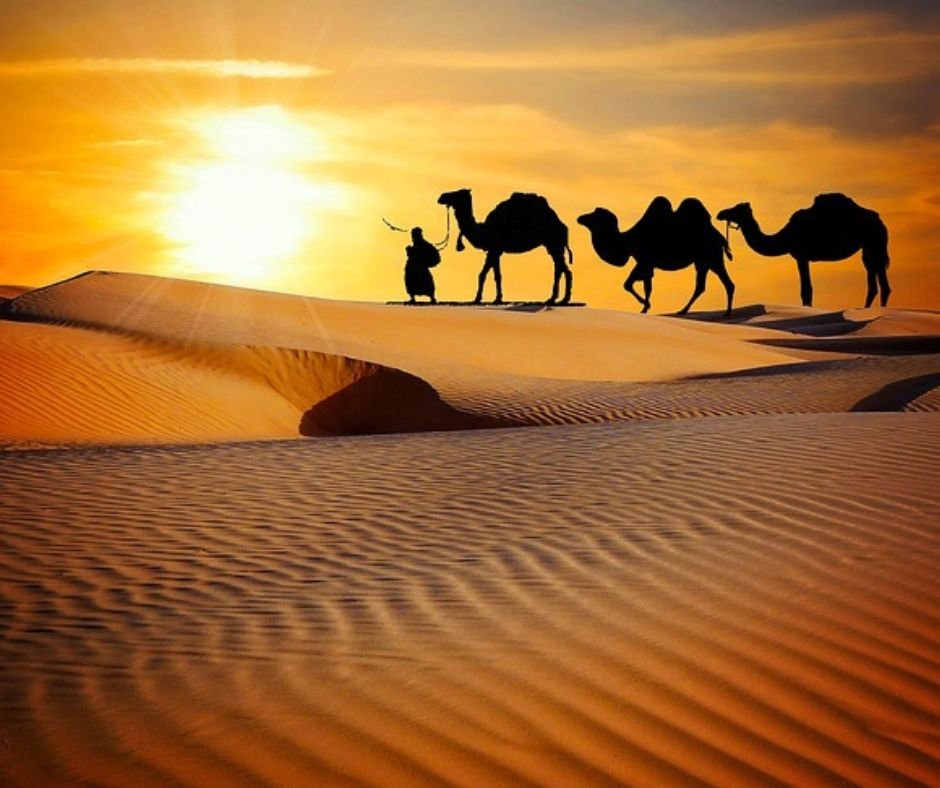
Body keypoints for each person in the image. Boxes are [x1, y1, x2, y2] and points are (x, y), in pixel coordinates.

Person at [404, 227, 440, 304]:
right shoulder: (416, 246)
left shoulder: (425, 245)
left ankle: (432, 297)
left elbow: (436, 257)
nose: (413, 237)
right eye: (412, 235)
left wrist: (425, 262)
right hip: (412, 270)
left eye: (414, 235)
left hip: (421, 269)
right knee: (410, 280)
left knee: (427, 282)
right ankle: (412, 298)